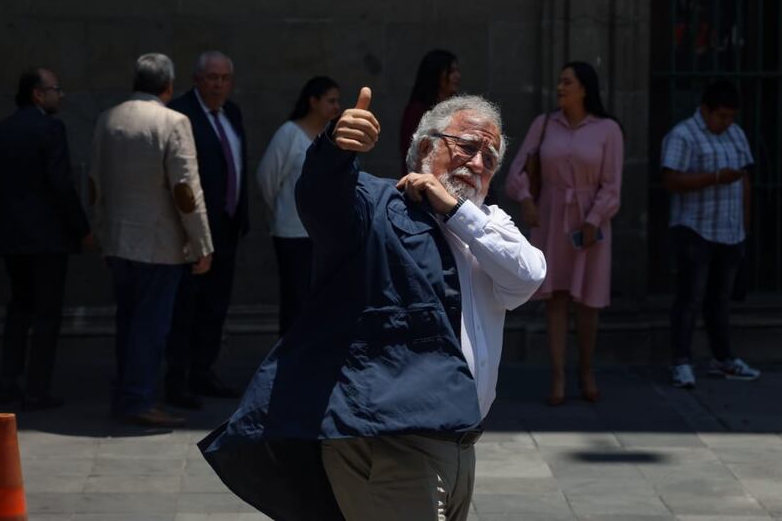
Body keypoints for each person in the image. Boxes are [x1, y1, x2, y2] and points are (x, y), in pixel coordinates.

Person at [199, 89, 546, 521]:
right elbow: (325, 199)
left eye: (490, 158)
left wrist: (455, 210)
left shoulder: (488, 223)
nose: (478, 164)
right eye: (468, 148)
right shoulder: (377, 203)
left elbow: (529, 275)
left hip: (459, 445)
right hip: (392, 442)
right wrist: (334, 148)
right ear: (425, 148)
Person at [89, 53, 213, 427]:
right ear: (169, 86)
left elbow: (94, 181)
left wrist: (99, 229)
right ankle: (138, 399)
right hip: (159, 244)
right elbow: (185, 189)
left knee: (128, 322)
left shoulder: (107, 119)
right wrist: (203, 243)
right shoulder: (173, 121)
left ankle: (127, 393)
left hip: (118, 240)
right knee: (150, 326)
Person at [505, 61, 624, 406]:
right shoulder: (543, 125)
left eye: (567, 82)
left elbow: (613, 185)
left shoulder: (608, 130)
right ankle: (557, 376)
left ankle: (586, 370)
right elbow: (516, 171)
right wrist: (526, 200)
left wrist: (595, 218)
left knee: (587, 302)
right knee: (555, 299)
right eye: (559, 82)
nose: (560, 88)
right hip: (551, 217)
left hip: (591, 220)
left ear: (584, 88)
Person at [0, 67, 92, 410]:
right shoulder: (51, 128)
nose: (61, 95)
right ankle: (37, 388)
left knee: (19, 308)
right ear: (38, 94)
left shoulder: (4, 130)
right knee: (47, 315)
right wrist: (83, 228)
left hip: (12, 239)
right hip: (47, 240)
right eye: (56, 89)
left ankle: (8, 380)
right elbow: (61, 185)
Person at [660, 79, 760, 389]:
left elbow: (744, 180)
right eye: (720, 116)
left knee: (720, 299)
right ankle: (681, 361)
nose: (726, 122)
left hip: (729, 231)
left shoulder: (736, 134)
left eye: (730, 117)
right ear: (705, 109)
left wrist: (744, 226)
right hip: (696, 228)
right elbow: (671, 180)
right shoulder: (683, 135)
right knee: (690, 297)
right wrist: (715, 178)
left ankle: (723, 357)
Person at [165, 51, 248, 410]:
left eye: (224, 78)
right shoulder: (181, 114)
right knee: (186, 308)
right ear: (197, 80)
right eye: (212, 78)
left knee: (216, 306)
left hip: (228, 228)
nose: (218, 84)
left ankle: (204, 369)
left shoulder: (232, 113)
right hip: (194, 231)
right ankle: (178, 378)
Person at [256, 76, 341, 335]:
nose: (336, 107)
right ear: (313, 101)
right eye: (331, 101)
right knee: (296, 301)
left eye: (338, 101)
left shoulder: (331, 137)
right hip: (293, 234)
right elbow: (266, 179)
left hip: (324, 234)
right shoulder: (289, 134)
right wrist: (285, 211)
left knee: (322, 302)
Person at [398, 49, 461, 166]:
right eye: (451, 71)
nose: (457, 76)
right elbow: (412, 152)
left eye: (457, 70)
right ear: (436, 74)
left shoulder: (459, 109)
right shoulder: (416, 111)